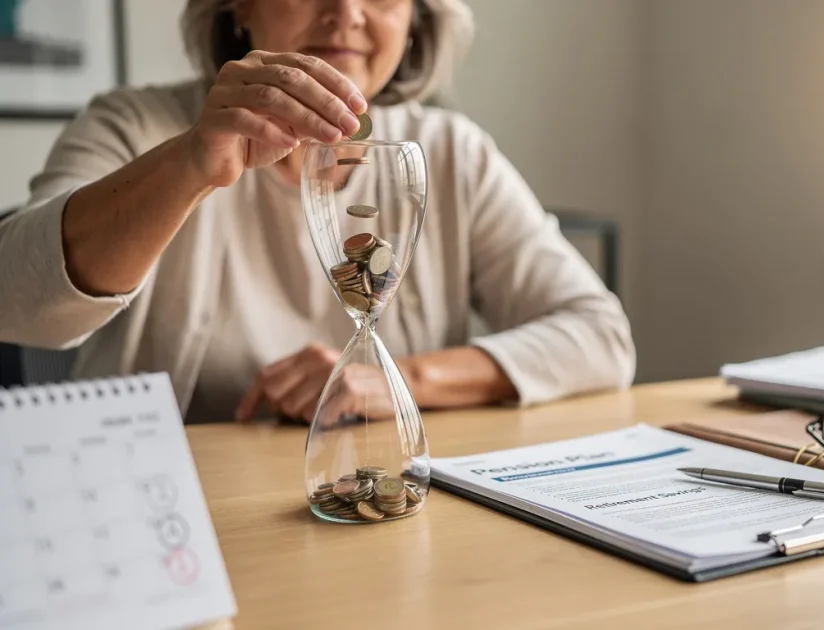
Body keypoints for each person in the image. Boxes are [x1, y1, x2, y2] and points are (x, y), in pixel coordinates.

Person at [0, 0, 635, 424]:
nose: (346, 14)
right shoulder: (133, 125)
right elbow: (17, 302)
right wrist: (190, 163)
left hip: (379, 500)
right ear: (240, 7)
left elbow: (600, 335)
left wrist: (401, 379)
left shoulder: (450, 153)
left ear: (415, 19)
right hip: (165, 512)